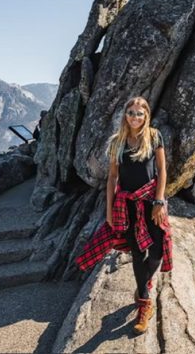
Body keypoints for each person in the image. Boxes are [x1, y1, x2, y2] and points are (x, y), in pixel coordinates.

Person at [75, 96, 172, 334]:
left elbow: (161, 170)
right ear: (125, 114)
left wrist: (159, 201)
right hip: (126, 204)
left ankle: (142, 286)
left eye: (140, 113)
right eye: (131, 112)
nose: (135, 117)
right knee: (138, 252)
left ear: (146, 115)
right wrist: (108, 211)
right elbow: (112, 178)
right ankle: (144, 303)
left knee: (157, 248)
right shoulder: (117, 142)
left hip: (151, 201)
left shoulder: (154, 136)